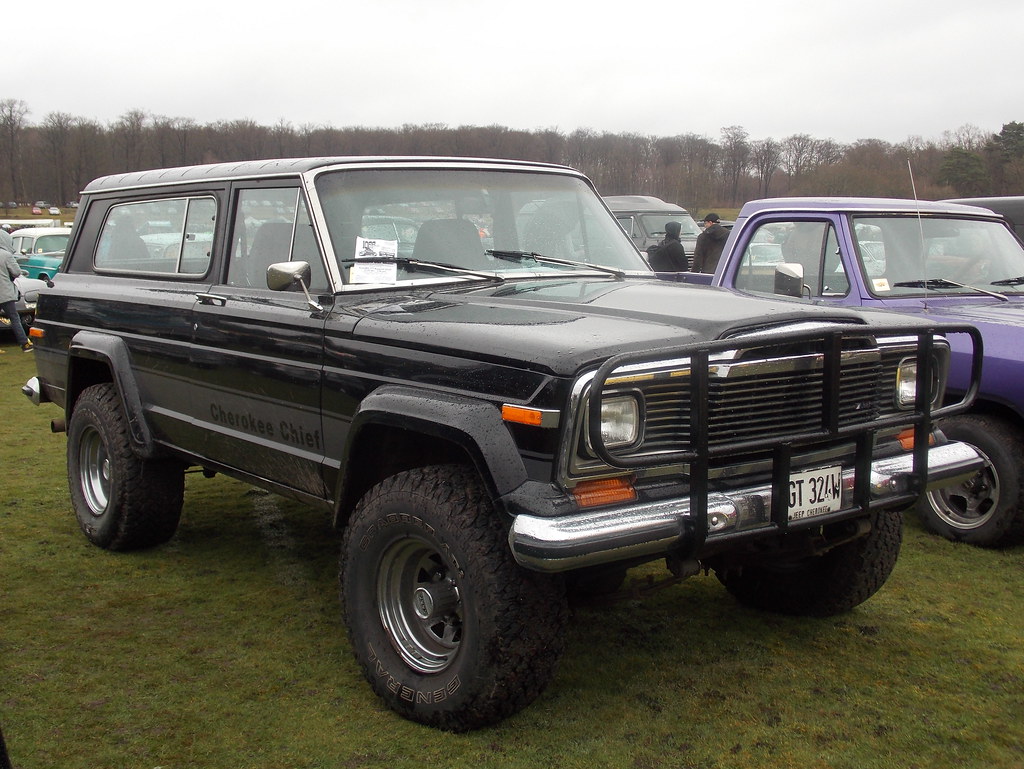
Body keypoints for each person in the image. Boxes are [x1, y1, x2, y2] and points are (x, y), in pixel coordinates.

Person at [0, 228, 33, 352]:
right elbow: (17, 272)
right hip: (5, 293)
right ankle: (24, 343)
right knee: (14, 318)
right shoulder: (6, 255)